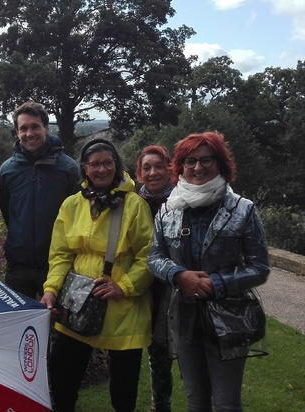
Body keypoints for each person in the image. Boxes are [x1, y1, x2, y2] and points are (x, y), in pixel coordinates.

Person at [148, 131, 270, 411]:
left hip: (229, 318)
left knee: (226, 402)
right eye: (190, 161)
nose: (198, 167)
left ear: (220, 164)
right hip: (184, 317)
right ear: (180, 166)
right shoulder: (169, 210)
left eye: (206, 160)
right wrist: (178, 275)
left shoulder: (242, 209)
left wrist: (217, 283)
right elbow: (154, 257)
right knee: (196, 399)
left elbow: (259, 267)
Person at [40, 138, 155, 412]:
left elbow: (149, 255)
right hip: (77, 304)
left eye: (107, 163)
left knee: (123, 388)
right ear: (85, 168)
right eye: (95, 164)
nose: (102, 169)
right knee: (62, 378)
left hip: (122, 307)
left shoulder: (135, 205)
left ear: (117, 165)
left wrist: (124, 286)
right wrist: (51, 289)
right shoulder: (71, 205)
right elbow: (61, 255)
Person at [0, 101, 81, 300]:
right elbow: (9, 214)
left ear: (46, 128)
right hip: (18, 266)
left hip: (56, 265)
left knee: (56, 320)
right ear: (17, 132)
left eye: (35, 126)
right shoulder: (7, 170)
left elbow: (78, 217)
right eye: (23, 128)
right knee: (19, 320)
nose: (29, 133)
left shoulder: (68, 168)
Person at [136, 145, 176, 412]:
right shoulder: (134, 202)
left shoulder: (181, 200)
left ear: (170, 169)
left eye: (159, 166)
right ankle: (159, 405)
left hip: (173, 283)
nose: (153, 173)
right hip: (142, 283)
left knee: (182, 346)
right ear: (140, 173)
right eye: (147, 167)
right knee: (156, 349)